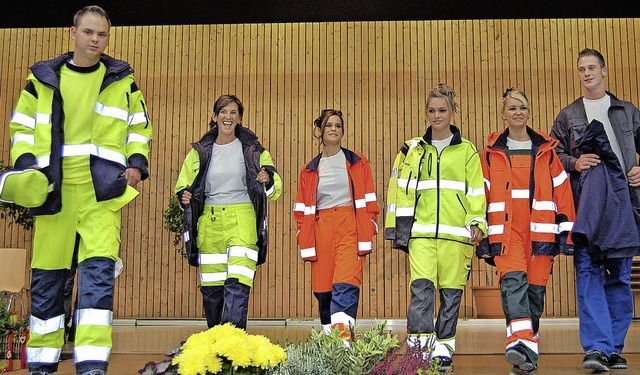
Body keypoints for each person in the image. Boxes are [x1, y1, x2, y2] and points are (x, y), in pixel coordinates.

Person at [7, 5, 153, 375]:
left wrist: (136, 165)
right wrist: (26, 168)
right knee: (47, 280)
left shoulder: (121, 80)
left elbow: (139, 126)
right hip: (53, 192)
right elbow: (21, 128)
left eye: (102, 34)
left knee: (98, 279)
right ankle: (41, 364)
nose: (95, 40)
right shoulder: (41, 81)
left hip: (101, 192)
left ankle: (92, 365)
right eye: (88, 32)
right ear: (72, 33)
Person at [384, 84, 486, 371]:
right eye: (431, 111)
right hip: (421, 234)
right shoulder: (412, 149)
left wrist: (477, 221)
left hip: (457, 236)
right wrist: (398, 229)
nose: (436, 115)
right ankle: (419, 351)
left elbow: (476, 191)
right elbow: (398, 190)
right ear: (426, 113)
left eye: (442, 110)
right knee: (421, 292)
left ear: (452, 112)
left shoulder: (467, 151)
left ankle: (443, 349)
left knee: (451, 297)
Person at [551, 48, 640, 372]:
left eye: (591, 68)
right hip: (586, 207)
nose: (586, 73)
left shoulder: (628, 111)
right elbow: (553, 156)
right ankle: (597, 348)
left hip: (624, 207)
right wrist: (575, 161)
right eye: (581, 69)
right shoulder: (568, 115)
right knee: (588, 273)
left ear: (604, 70)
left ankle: (613, 348)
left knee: (618, 277)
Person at [477, 88, 576, 372]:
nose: (517, 112)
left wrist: (566, 234)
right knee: (513, 284)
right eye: (511, 108)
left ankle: (527, 352)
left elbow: (563, 192)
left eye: (522, 107)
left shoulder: (547, 151)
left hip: (541, 233)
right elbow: (480, 195)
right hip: (506, 233)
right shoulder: (491, 153)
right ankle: (519, 342)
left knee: (534, 292)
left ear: (529, 111)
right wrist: (481, 234)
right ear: (503, 114)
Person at [175, 94, 282, 330]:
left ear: (239, 119)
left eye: (233, 112)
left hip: (242, 220)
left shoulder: (254, 150)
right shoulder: (198, 152)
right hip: (209, 225)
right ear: (214, 117)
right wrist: (184, 197)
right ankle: (216, 345)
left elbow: (276, 188)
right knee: (212, 292)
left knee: (238, 284)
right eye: (223, 111)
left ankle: (233, 344)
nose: (228, 116)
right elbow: (182, 187)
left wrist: (268, 179)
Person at [293, 109, 379, 342]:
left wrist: (369, 227)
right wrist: (303, 235)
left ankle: (343, 344)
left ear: (342, 131)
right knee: (324, 293)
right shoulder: (308, 169)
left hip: (349, 226)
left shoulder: (358, 162)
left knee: (346, 283)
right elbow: (301, 209)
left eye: (338, 125)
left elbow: (370, 200)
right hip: (320, 231)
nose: (333, 129)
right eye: (329, 125)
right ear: (319, 131)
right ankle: (331, 345)